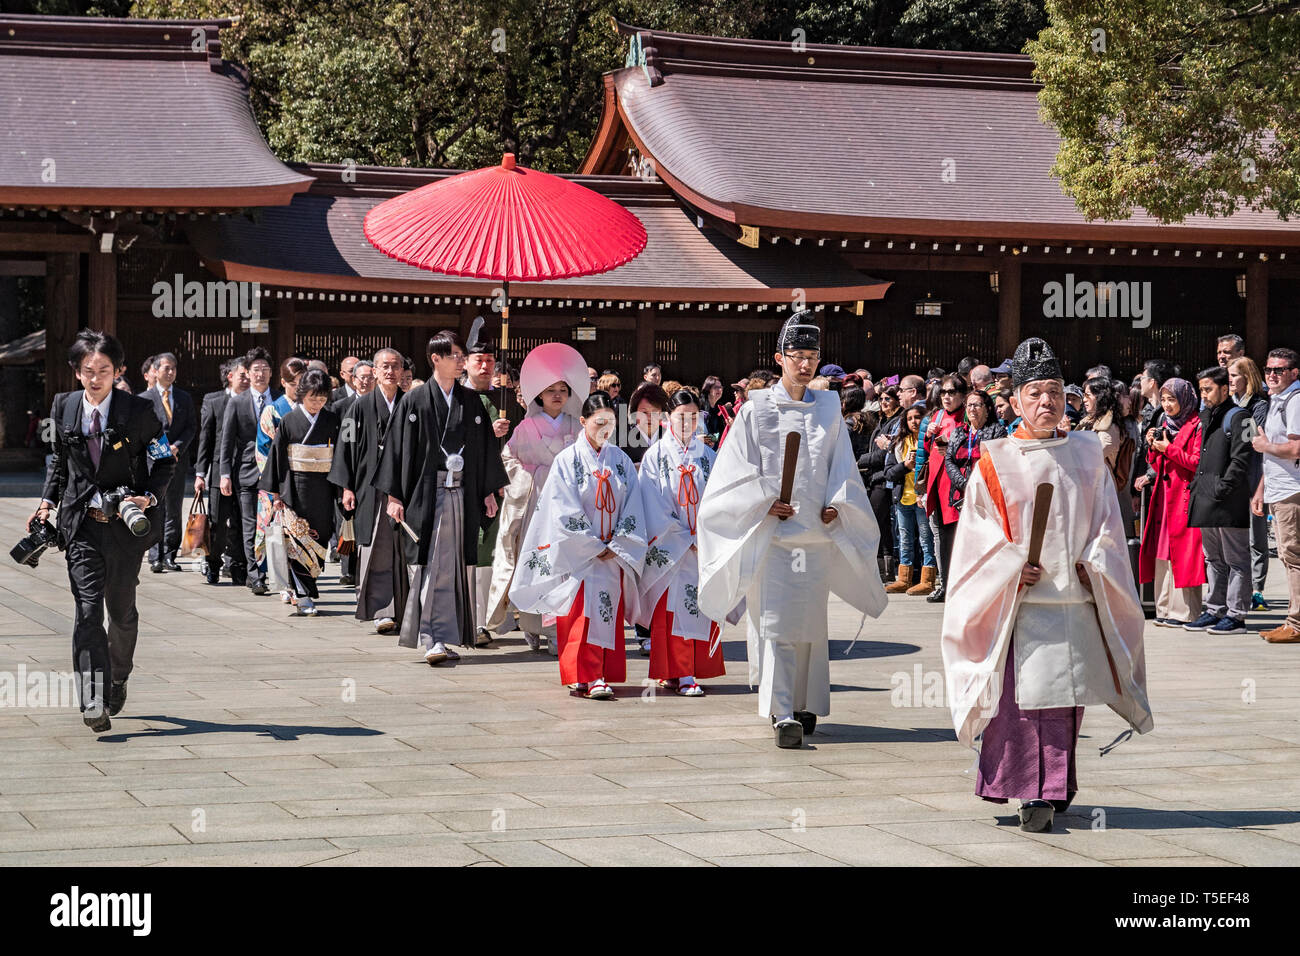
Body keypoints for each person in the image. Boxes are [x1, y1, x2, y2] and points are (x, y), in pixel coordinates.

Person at [941, 336, 1153, 833]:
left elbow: (1108, 525)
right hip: (1019, 605)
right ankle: (1028, 790)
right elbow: (977, 534)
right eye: (1034, 393)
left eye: (1055, 392)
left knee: (1063, 701)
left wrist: (1095, 562)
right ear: (1014, 401)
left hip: (1075, 600)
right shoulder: (995, 459)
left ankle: (1052, 788)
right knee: (1020, 702)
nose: (1046, 402)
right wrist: (1012, 566)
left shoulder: (1086, 453)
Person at [697, 311, 886, 748]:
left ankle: (805, 702)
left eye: (812, 356)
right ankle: (781, 710)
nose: (805, 365)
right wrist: (764, 502)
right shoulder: (755, 410)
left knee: (811, 627)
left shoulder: (829, 406)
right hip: (774, 537)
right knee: (777, 624)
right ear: (779, 357)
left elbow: (841, 465)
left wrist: (838, 504)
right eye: (797, 356)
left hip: (815, 537)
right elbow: (733, 474)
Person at [34, 330, 175, 733]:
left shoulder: (139, 411)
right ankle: (93, 697)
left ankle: (118, 676)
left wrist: (147, 495)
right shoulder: (63, 406)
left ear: (120, 372)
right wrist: (47, 502)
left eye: (104, 371)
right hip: (81, 527)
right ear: (76, 372)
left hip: (126, 528)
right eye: (87, 371)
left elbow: (164, 461)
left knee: (121, 612)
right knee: (87, 611)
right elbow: (58, 461)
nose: (95, 379)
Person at [374, 331, 508, 664]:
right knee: (430, 564)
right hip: (427, 492)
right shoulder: (415, 401)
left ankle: (445, 636)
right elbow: (396, 449)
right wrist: (394, 495)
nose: (462, 362)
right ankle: (431, 636)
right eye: (456, 356)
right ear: (436, 359)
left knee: (455, 566)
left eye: (462, 357)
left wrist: (489, 490)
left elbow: (483, 450)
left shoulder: (471, 401)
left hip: (462, 493)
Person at [510, 392, 647, 698]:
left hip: (612, 552)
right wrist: (591, 544)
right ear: (584, 422)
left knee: (605, 612)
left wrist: (618, 542)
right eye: (598, 422)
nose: (604, 429)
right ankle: (581, 675)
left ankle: (598, 674)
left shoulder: (621, 461)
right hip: (579, 555)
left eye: (610, 422)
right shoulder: (567, 460)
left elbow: (633, 506)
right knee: (579, 614)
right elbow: (561, 508)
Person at [486, 343, 586, 653]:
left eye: (562, 389)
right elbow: (509, 459)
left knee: (562, 563)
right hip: (535, 501)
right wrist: (537, 475)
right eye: (550, 390)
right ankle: (531, 624)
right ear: (539, 396)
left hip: (567, 505)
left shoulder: (576, 427)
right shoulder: (526, 427)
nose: (557, 395)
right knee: (536, 560)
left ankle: (558, 628)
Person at [637, 389, 724, 695]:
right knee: (670, 611)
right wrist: (682, 538)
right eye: (680, 416)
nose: (687, 422)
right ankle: (680, 673)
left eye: (693, 416)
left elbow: (719, 500)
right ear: (666, 419)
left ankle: (685, 672)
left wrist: (703, 537)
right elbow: (652, 502)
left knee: (696, 607)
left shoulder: (709, 457)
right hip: (671, 548)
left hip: (702, 547)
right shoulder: (655, 457)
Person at [329, 347, 406, 635]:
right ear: (374, 371)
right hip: (369, 486)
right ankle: (381, 610)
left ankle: (404, 608)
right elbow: (345, 448)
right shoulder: (358, 408)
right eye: (384, 366)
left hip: (402, 487)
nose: (390, 371)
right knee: (376, 546)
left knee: (402, 548)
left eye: (395, 366)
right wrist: (346, 486)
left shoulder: (409, 405)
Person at [259, 369, 341, 617]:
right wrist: (276, 494)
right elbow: (277, 458)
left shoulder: (332, 419)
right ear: (302, 394)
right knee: (296, 542)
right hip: (295, 486)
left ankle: (306, 587)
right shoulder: (289, 421)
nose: (317, 403)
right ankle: (304, 595)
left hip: (325, 487)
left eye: (322, 398)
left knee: (321, 536)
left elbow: (341, 456)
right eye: (312, 398)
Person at [1182, 366, 1253, 635]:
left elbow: (1244, 458)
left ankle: (1236, 615)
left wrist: (1223, 487)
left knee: (1236, 558)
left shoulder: (1241, 416)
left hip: (1227, 499)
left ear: (1226, 389)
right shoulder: (1206, 415)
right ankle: (1215, 609)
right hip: (1206, 497)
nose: (1204, 394)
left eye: (1209, 389)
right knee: (1213, 559)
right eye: (1202, 389)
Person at [1136, 377, 1205, 627]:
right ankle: (1164, 608)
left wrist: (1168, 449)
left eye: (1172, 399)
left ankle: (1185, 612)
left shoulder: (1196, 424)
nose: (1166, 404)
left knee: (1184, 554)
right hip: (1164, 496)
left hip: (1184, 497)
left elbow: (1197, 463)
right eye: (1164, 399)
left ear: (1184, 399)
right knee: (1162, 551)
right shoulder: (1166, 423)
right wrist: (1153, 447)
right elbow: (1157, 464)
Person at [462, 336, 513, 645]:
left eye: (490, 361)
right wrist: (483, 434)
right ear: (466, 363)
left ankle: (495, 616)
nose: (484, 366)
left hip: (508, 489)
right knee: (476, 553)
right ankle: (474, 618)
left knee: (500, 554)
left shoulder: (506, 400)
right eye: (478, 361)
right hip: (470, 487)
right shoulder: (457, 398)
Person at [218, 347, 280, 595]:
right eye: (256, 370)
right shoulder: (238, 402)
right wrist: (224, 473)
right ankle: (256, 575)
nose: (261, 374)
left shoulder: (279, 399)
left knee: (273, 523)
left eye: (265, 369)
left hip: (275, 472)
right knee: (250, 524)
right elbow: (227, 440)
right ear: (247, 372)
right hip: (246, 471)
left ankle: (274, 571)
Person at [1251, 348, 1300, 643]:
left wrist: (1264, 446)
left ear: (1294, 373)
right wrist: (1261, 490)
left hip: (1292, 490)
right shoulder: (1278, 401)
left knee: (1293, 557)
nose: (1271, 375)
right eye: (1268, 369)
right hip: (1279, 488)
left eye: (1278, 370)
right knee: (1289, 556)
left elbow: (1295, 449)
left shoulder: (1294, 402)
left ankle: (1295, 623)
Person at [194, 357, 249, 585]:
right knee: (218, 522)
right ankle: (213, 563)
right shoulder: (215, 401)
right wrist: (200, 473)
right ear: (230, 377)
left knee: (241, 523)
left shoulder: (253, 402)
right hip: (219, 472)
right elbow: (206, 438)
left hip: (246, 470)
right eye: (242, 375)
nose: (247, 379)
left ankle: (238, 566)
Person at [915, 373, 969, 601]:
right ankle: (945, 584)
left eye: (952, 392)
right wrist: (922, 489)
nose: (946, 397)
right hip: (937, 484)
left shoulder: (967, 416)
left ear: (962, 395)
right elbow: (924, 453)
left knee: (959, 538)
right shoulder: (936, 416)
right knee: (939, 537)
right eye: (943, 392)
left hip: (958, 486)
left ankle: (959, 586)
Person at [145, 352, 196, 573]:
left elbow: (191, 427)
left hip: (177, 460)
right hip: (153, 462)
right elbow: (142, 430)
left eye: (173, 368)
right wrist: (160, 449)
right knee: (155, 507)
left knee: (174, 509)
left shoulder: (184, 398)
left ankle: (169, 555)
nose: (170, 371)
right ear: (155, 371)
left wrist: (177, 446)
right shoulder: (144, 399)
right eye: (166, 368)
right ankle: (154, 555)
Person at [1229, 356, 1271, 609]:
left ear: (1248, 376)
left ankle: (1257, 589)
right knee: (1232, 537)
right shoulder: (1226, 402)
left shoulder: (1259, 405)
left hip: (1253, 475)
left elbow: (1249, 439)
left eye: (1235, 375)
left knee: (1256, 537)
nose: (1230, 380)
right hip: (1230, 477)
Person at [884, 404, 935, 594]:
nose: (914, 421)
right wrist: (905, 465)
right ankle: (904, 579)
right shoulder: (898, 443)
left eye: (918, 417)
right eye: (910, 418)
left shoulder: (929, 440)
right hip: (903, 498)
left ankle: (928, 580)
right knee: (904, 539)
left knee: (926, 539)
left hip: (922, 497)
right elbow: (888, 473)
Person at [1078, 378, 1137, 536]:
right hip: (1089, 489)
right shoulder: (1090, 421)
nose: (1084, 399)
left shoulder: (1108, 426)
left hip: (1101, 490)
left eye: (1088, 395)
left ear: (1099, 397)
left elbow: (1097, 453)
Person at [859, 384, 900, 579]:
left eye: (888, 399)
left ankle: (881, 568)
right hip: (875, 477)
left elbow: (883, 454)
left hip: (885, 478)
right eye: (881, 399)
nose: (883, 403)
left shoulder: (898, 421)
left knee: (874, 522)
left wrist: (858, 460)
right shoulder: (883, 421)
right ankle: (885, 570)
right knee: (881, 525)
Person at [944, 389, 1005, 513]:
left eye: (977, 405)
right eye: (969, 405)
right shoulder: (958, 432)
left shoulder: (997, 431)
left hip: (986, 493)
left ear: (987, 408)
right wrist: (964, 484)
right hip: (960, 493)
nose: (972, 409)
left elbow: (997, 463)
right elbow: (949, 460)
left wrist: (975, 485)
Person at [700, 375, 725, 443]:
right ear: (708, 389)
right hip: (703, 446)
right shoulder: (700, 405)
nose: (719, 390)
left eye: (720, 387)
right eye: (716, 387)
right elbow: (700, 433)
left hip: (715, 446)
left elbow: (720, 431)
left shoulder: (719, 407)